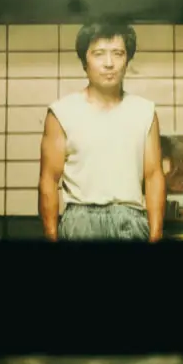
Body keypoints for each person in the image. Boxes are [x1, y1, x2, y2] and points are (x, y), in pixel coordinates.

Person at [38, 20, 166, 241]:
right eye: (98, 54)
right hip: (80, 222)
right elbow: (49, 180)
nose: (109, 63)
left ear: (127, 60)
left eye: (118, 54)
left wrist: (155, 235)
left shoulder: (145, 111)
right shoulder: (61, 112)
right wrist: (51, 237)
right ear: (84, 61)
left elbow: (154, 176)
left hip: (131, 222)